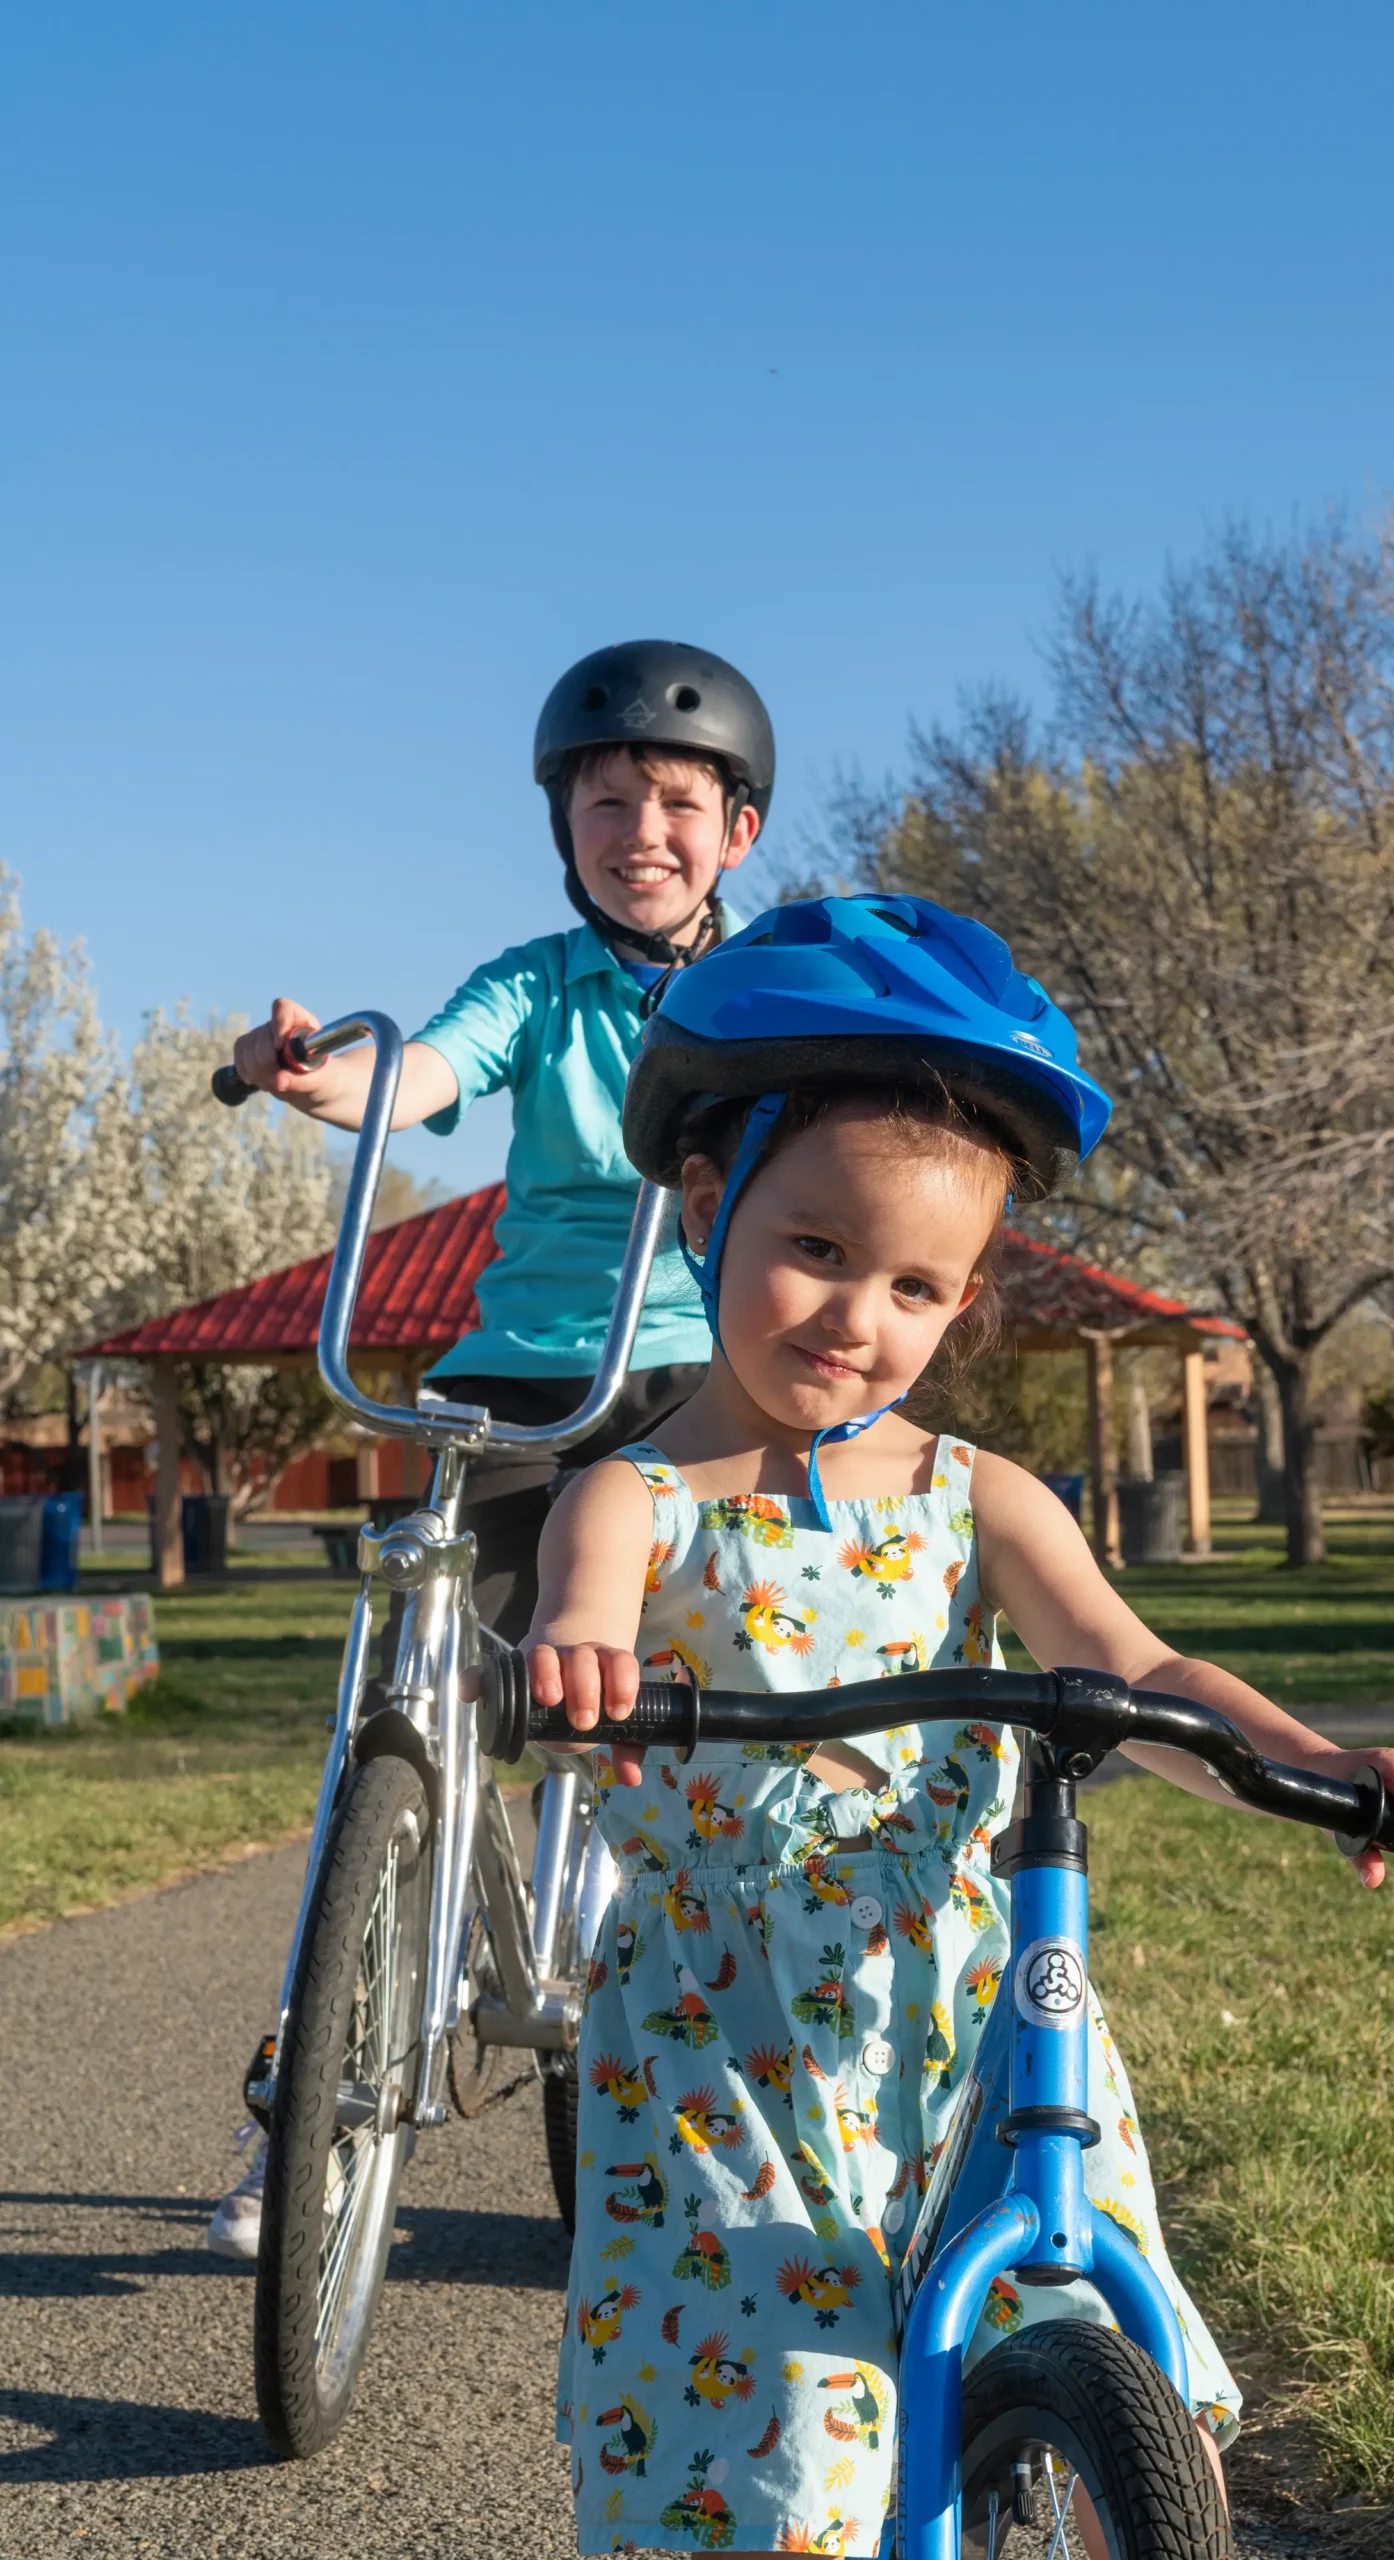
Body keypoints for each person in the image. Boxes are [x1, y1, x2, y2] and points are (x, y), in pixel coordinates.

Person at [525, 894, 1394, 2555]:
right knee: (767, 2453)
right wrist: (579, 1660)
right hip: (729, 2045)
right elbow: (585, 1609)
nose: (858, 1320)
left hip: (976, 2011)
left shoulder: (977, 1498)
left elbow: (1135, 1671)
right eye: (816, 1252)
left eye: (917, 1286)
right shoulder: (632, 1494)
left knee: (1095, 2352)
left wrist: (1324, 1766)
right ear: (707, 1205)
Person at [202, 639, 774, 2260]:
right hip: (521, 1379)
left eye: (676, 799)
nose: (639, 826)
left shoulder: (763, 984)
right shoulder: (535, 981)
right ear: (564, 824)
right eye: (608, 798)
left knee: (718, 1732)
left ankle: (719, 2099)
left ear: (734, 829)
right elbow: (424, 1074)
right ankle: (306, 2082)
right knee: (408, 1695)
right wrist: (311, 1075)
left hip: (701, 1377)